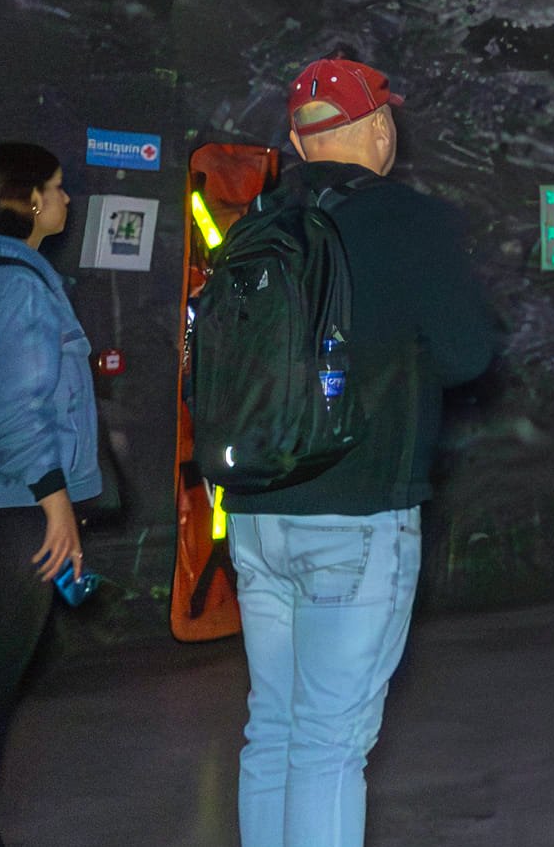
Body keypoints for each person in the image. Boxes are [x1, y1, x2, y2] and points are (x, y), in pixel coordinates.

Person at [230, 58, 499, 847]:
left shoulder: (255, 223)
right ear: (381, 129)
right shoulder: (414, 221)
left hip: (254, 514)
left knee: (271, 728)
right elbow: (466, 353)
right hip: (356, 511)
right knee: (328, 746)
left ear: (295, 140)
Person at [0, 142, 103, 847]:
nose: (67, 199)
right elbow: (18, 408)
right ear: (30, 200)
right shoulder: (18, 285)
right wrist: (56, 499)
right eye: (58, 187)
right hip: (19, 513)